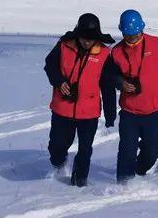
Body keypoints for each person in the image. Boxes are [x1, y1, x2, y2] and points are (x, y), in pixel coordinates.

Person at [111, 9, 158, 183]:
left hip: (153, 112)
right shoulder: (115, 52)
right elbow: (110, 76)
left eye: (136, 34)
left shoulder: (157, 44)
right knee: (126, 150)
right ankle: (123, 184)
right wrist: (120, 83)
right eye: (129, 35)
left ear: (142, 28)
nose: (133, 38)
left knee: (151, 151)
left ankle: (139, 171)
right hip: (129, 112)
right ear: (122, 32)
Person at [44, 13, 117, 186]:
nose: (87, 42)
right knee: (57, 147)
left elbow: (107, 87)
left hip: (89, 112)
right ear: (78, 33)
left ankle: (80, 178)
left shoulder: (104, 53)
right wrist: (59, 81)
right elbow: (50, 66)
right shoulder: (64, 45)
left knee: (85, 149)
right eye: (84, 37)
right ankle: (59, 161)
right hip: (62, 108)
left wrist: (110, 114)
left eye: (91, 39)